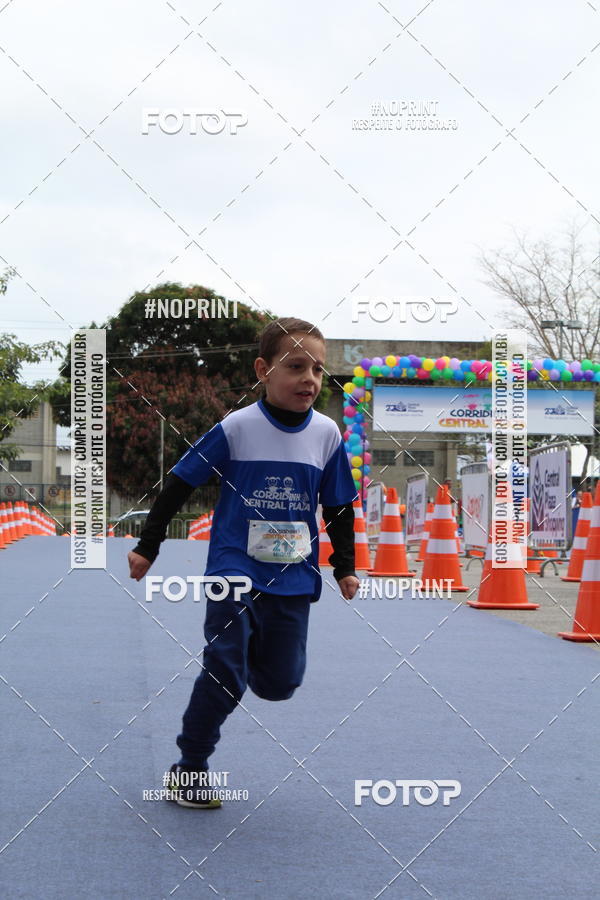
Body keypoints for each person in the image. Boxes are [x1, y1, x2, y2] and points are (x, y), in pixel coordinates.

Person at [127, 317, 359, 808]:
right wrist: (149, 545)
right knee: (225, 671)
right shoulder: (237, 427)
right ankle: (189, 768)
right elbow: (180, 482)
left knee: (280, 684)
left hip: (293, 576)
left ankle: (249, 658)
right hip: (233, 569)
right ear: (263, 370)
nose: (309, 379)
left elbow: (338, 505)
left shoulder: (327, 434)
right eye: (295, 366)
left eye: (318, 369)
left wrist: (345, 565)